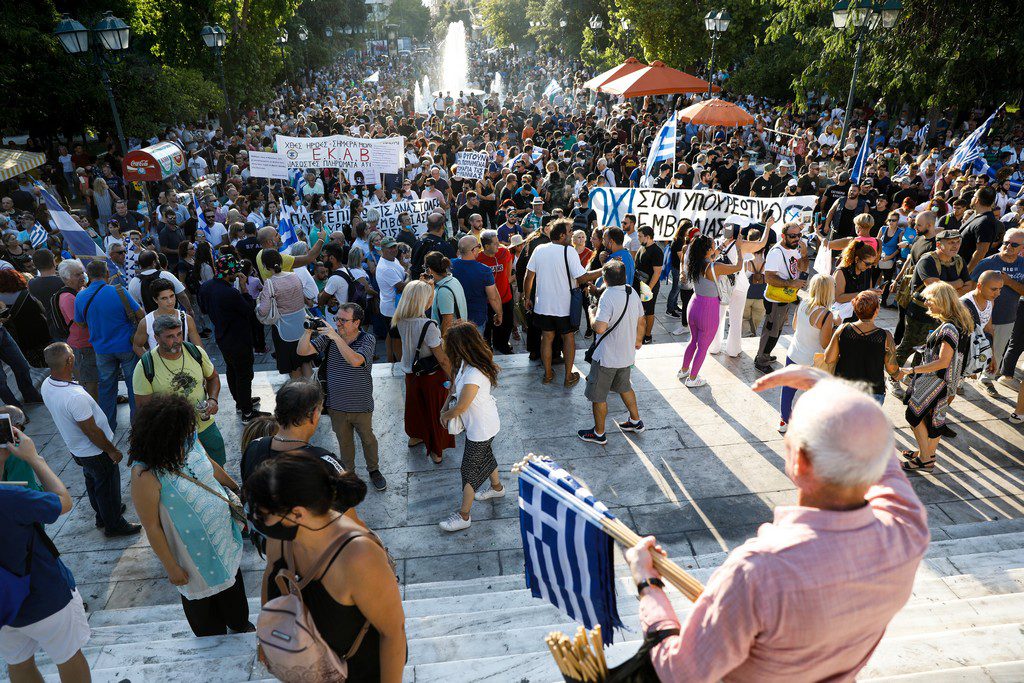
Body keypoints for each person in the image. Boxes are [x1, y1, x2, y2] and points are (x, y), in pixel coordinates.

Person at [624, 366, 928, 681]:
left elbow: (680, 673)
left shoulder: (757, 572)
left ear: (799, 461)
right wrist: (831, 390)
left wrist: (648, 584)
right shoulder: (907, 531)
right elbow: (882, 456)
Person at [249, 454, 406, 682]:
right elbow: (271, 574)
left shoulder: (358, 557)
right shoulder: (283, 536)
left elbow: (393, 633)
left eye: (261, 514)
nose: (256, 519)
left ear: (297, 514)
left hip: (360, 673)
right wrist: (264, 637)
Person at [129, 393, 251, 637]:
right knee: (204, 607)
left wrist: (235, 489)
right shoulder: (145, 474)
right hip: (188, 554)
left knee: (233, 588)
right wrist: (171, 567)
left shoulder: (189, 439)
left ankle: (240, 624)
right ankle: (212, 641)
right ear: (165, 434)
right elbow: (152, 526)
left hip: (223, 537)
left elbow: (210, 464)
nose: (191, 431)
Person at [0, 428, 92, 683]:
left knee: (18, 662)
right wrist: (34, 458)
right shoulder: (10, 497)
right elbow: (63, 501)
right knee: (69, 656)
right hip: (44, 596)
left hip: (3, 609)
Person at [40, 342, 139, 536]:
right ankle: (114, 524)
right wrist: (111, 450)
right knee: (107, 487)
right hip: (95, 451)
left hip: (77, 449)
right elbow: (91, 431)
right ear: (69, 360)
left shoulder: (47, 385)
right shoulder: (74, 397)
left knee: (93, 482)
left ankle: (103, 516)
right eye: (72, 355)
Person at [297, 303, 386, 492]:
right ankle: (349, 474)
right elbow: (302, 352)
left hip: (360, 404)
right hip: (336, 405)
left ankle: (374, 470)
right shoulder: (329, 339)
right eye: (337, 319)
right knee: (344, 443)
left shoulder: (366, 339)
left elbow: (355, 360)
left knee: (368, 440)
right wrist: (307, 332)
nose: (338, 323)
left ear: (356, 322)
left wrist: (335, 337)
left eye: (343, 320)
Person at [132, 314, 227, 466]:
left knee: (219, 467)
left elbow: (213, 378)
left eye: (179, 334)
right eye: (170, 336)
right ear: (156, 338)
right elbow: (144, 409)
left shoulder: (195, 352)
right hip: (174, 436)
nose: (177, 340)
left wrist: (212, 399)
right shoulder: (145, 366)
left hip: (205, 426)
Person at [899, 282, 974, 473]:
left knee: (914, 415)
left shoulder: (948, 327)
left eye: (930, 300)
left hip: (936, 380)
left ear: (941, 300)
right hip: (948, 381)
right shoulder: (961, 321)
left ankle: (925, 460)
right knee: (933, 419)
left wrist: (912, 370)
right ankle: (927, 454)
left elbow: (942, 361)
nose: (927, 304)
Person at [437, 321, 503, 532]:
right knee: (486, 456)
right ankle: (497, 488)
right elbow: (454, 388)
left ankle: (464, 515)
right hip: (480, 424)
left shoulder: (474, 373)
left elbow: (462, 406)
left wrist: (446, 415)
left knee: (469, 470)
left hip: (482, 428)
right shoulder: (464, 363)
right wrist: (444, 407)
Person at [578, 260, 645, 445]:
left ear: (605, 279)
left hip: (606, 357)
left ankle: (599, 433)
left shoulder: (607, 296)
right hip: (626, 355)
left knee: (598, 396)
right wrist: (638, 341)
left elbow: (600, 328)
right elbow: (642, 320)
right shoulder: (631, 291)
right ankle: (635, 421)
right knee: (625, 387)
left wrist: (592, 313)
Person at [74, 260, 143, 432]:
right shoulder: (119, 291)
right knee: (133, 385)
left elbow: (80, 323)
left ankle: (108, 426)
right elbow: (140, 314)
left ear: (87, 276)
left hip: (101, 349)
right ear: (106, 274)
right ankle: (138, 426)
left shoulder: (81, 296)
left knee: (106, 388)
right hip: (126, 346)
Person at [392, 281, 454, 465]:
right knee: (436, 412)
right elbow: (441, 358)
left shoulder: (400, 320)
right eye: (429, 298)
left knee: (415, 408)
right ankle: (437, 451)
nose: (431, 300)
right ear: (423, 301)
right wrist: (453, 376)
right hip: (431, 376)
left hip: (411, 373)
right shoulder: (429, 325)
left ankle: (416, 436)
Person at [524, 219, 591, 387]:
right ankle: (568, 377)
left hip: (542, 306)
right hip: (564, 308)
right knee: (568, 339)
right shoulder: (569, 251)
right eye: (569, 232)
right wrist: (605, 269)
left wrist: (527, 298)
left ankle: (547, 375)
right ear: (562, 235)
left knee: (546, 338)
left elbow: (528, 276)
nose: (571, 235)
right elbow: (582, 277)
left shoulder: (539, 249)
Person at [199, 254, 263, 422]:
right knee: (244, 374)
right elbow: (249, 310)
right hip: (239, 339)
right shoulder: (230, 292)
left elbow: (204, 310)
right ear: (229, 274)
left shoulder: (206, 287)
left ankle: (241, 403)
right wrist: (244, 289)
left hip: (221, 337)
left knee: (231, 370)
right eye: (235, 273)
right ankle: (247, 413)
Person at [678, 235, 744, 388]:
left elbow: (711, 257)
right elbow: (738, 266)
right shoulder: (715, 267)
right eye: (714, 245)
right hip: (708, 308)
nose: (715, 247)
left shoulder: (693, 262)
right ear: (707, 250)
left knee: (693, 340)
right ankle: (693, 378)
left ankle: (684, 370)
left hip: (693, 305)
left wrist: (722, 247)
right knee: (703, 346)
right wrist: (739, 249)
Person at [778, 274, 837, 433]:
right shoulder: (826, 315)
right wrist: (834, 327)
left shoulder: (803, 303)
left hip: (794, 353)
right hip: (812, 361)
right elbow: (825, 343)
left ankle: (784, 421)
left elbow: (795, 326)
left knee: (788, 391)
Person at [826, 291, 901, 405]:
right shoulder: (885, 336)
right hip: (872, 393)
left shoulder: (842, 329)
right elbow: (892, 368)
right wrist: (901, 373)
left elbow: (829, 359)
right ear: (876, 311)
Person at [974, 228, 1024, 392]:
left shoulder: (1022, 265)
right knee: (972, 350)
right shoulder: (988, 263)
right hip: (981, 317)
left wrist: (1009, 282)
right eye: (1005, 242)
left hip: (1007, 317)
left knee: (997, 351)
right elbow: (971, 287)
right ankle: (961, 379)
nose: (1008, 246)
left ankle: (987, 379)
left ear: (1021, 248)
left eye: (1014, 244)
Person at [754, 222, 808, 374]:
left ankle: (764, 354)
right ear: (783, 236)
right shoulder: (776, 253)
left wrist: (804, 255)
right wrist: (792, 283)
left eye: (799, 235)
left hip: (785, 297)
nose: (797, 239)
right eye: (792, 236)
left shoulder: (795, 249)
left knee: (776, 329)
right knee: (771, 331)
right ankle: (761, 360)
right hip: (775, 299)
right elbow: (769, 278)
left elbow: (802, 267)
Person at [257, 250, 314, 380]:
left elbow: (263, 311)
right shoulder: (294, 276)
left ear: (265, 266)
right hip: (302, 326)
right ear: (281, 261)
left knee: (293, 367)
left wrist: (258, 304)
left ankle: (299, 397)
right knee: (305, 361)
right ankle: (314, 394)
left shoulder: (270, 283)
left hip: (284, 330)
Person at [55, 259, 98, 399]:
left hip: (89, 343)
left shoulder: (80, 291)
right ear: (66, 278)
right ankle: (93, 412)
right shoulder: (68, 297)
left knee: (94, 379)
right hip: (83, 345)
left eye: (82, 273)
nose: (82, 277)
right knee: (89, 381)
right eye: (77, 275)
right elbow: (81, 323)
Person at [132, 278, 203, 353]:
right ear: (155, 300)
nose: (170, 301)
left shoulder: (186, 319)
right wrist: (150, 362)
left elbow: (199, 348)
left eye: (172, 296)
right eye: (164, 298)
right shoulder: (146, 322)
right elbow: (137, 346)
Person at [452, 235, 502, 335]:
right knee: (475, 349)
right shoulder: (484, 270)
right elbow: (493, 297)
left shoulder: (449, 265)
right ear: (474, 250)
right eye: (479, 246)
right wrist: (499, 314)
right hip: (476, 319)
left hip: (454, 319)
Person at [477, 230, 515, 353]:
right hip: (487, 301)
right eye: (495, 243)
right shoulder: (478, 258)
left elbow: (508, 269)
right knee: (488, 327)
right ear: (486, 246)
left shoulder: (504, 252)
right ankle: (488, 349)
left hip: (506, 297)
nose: (498, 245)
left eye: (498, 242)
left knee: (506, 324)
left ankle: (502, 344)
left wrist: (507, 279)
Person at [374, 236, 406, 363]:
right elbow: (402, 286)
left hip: (391, 306)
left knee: (391, 335)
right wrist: (407, 279)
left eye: (395, 246)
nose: (394, 250)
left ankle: (391, 360)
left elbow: (404, 276)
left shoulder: (393, 260)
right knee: (397, 338)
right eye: (390, 248)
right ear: (382, 249)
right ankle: (401, 365)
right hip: (392, 309)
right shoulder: (385, 267)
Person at [832, 241, 880, 322]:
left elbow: (869, 290)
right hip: (844, 318)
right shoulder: (841, 272)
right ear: (857, 259)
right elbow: (838, 298)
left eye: (872, 264)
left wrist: (874, 294)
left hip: (861, 318)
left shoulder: (867, 271)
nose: (869, 267)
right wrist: (863, 293)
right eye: (867, 264)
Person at [424, 251, 468, 335]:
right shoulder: (454, 280)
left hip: (451, 340)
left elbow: (447, 321)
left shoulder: (443, 290)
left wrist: (441, 342)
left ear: (429, 270)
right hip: (460, 335)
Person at [634, 226, 664, 345]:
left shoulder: (657, 251)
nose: (638, 238)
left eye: (640, 236)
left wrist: (648, 289)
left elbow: (657, 273)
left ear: (648, 237)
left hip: (649, 287)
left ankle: (648, 335)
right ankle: (639, 332)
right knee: (640, 311)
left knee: (649, 311)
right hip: (639, 284)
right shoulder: (642, 247)